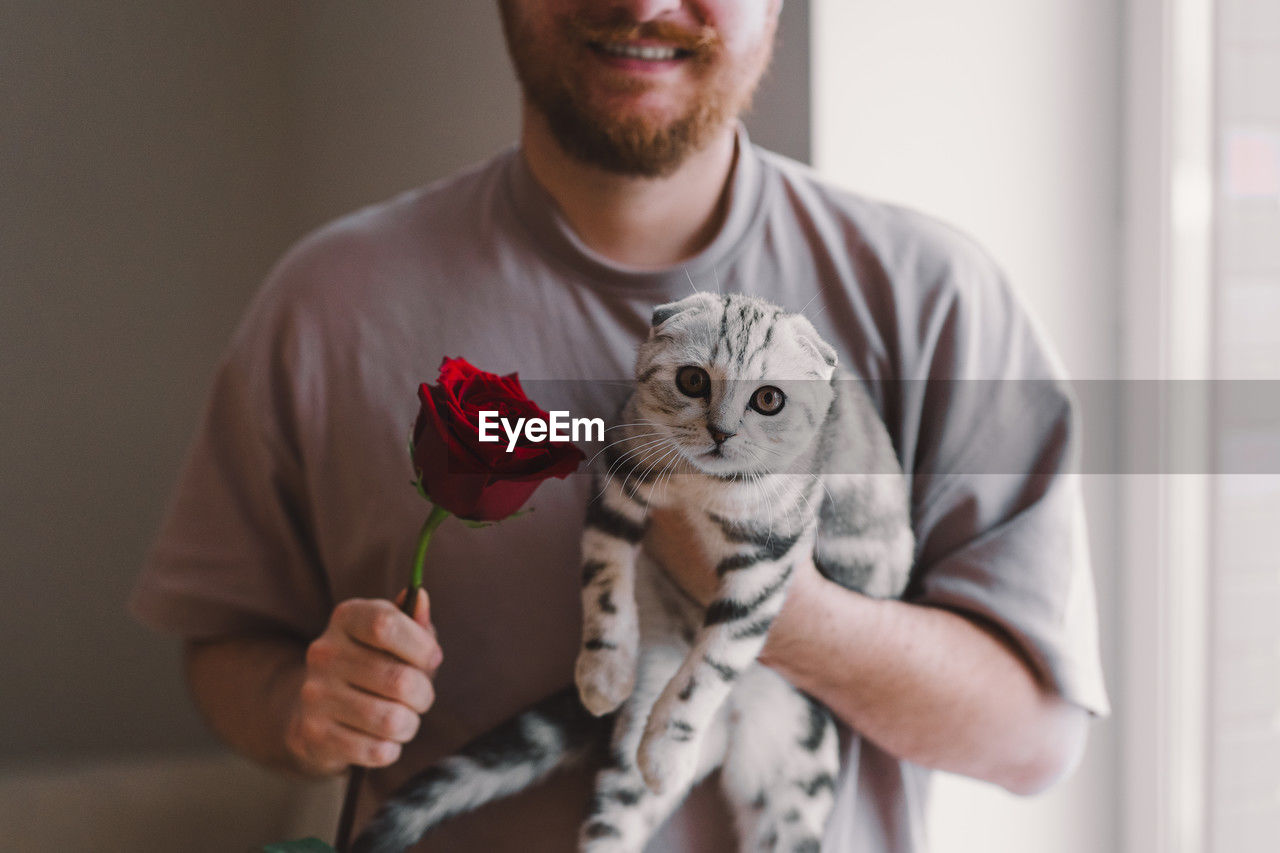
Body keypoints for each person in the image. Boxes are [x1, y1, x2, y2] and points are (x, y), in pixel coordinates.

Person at [130, 1, 1110, 850]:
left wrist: (775, 605)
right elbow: (226, 649)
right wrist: (301, 710)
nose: (643, 4)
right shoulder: (329, 301)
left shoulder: (935, 298)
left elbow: (1032, 739)